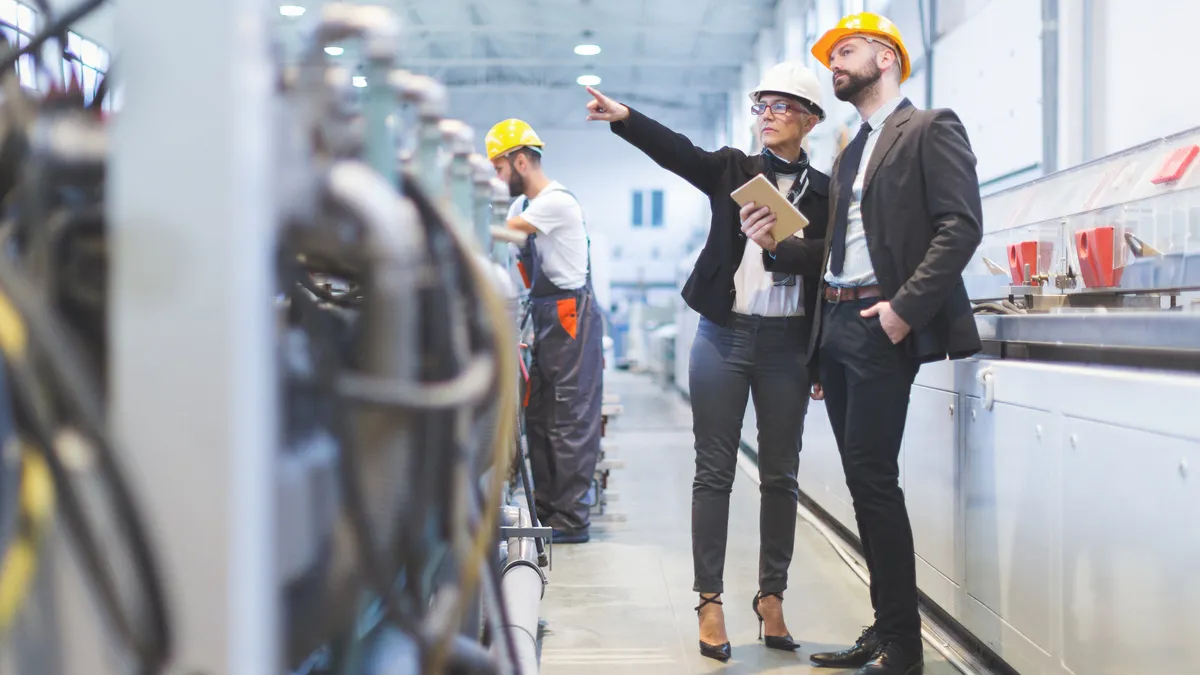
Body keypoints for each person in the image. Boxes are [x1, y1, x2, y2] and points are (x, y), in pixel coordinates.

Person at [742, 12, 983, 675]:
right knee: (862, 481)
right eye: (832, 55)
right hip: (840, 324)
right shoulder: (852, 147)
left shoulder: (930, 128)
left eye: (845, 51)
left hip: (883, 326)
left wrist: (904, 310)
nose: (834, 64)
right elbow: (836, 252)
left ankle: (905, 650)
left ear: (887, 58)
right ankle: (885, 628)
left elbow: (960, 228)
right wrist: (778, 248)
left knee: (875, 482)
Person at [585, 62, 829, 662]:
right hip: (722, 336)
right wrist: (627, 120)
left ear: (810, 118)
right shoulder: (733, 170)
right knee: (712, 471)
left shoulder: (828, 192)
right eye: (761, 105)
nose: (767, 115)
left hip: (788, 345)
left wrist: (820, 354)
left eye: (780, 105)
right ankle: (710, 600)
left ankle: (772, 596)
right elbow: (678, 153)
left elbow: (830, 268)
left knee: (781, 476)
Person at [485, 119, 603, 545]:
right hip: (546, 313)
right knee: (541, 416)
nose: (499, 181)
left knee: (569, 417)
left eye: (499, 170)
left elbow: (500, 234)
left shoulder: (554, 202)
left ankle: (572, 518)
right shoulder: (521, 208)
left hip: (572, 315)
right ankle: (549, 511)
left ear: (521, 160)